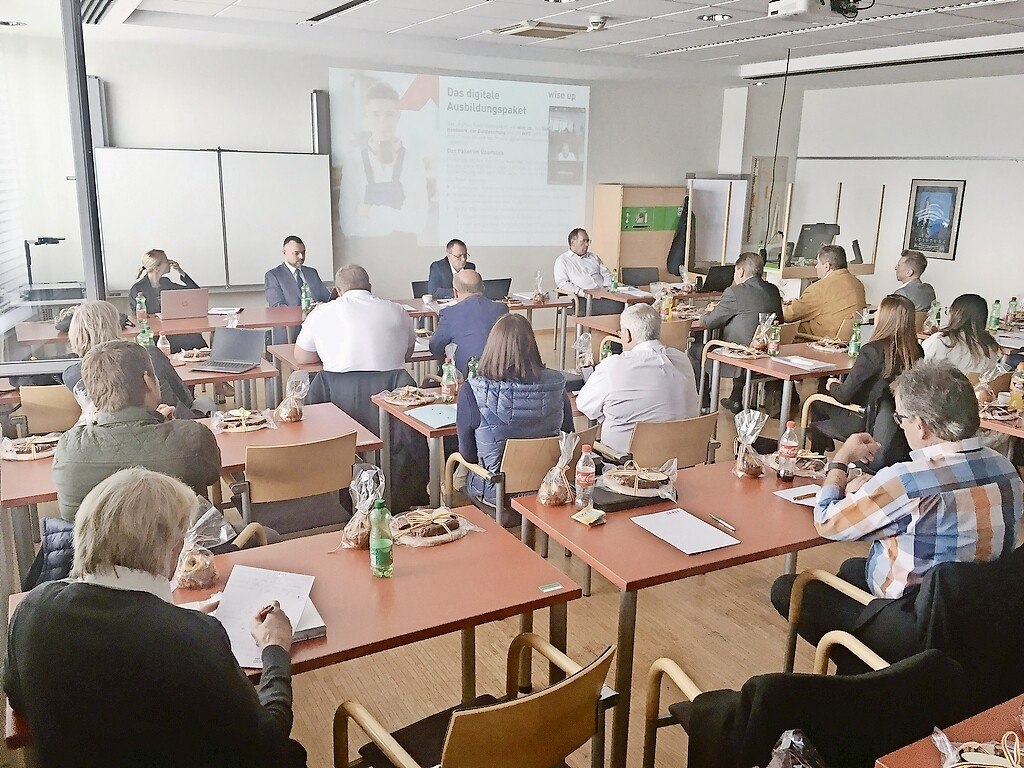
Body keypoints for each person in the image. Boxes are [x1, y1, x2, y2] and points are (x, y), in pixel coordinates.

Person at [4, 467, 306, 768]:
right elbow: (268, 747)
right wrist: (275, 648)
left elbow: (18, 697)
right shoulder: (194, 639)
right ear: (174, 550)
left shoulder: (31, 611)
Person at [770, 361, 1023, 646]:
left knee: (789, 589)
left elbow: (827, 522)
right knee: (853, 568)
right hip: (980, 615)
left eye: (900, 419)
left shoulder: (906, 482)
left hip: (915, 624)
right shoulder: (1006, 470)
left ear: (921, 425)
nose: (899, 426)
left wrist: (839, 462)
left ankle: (872, 673)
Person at [52, 340, 220, 522]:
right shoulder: (192, 438)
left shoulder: (68, 449)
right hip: (180, 547)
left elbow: (68, 515)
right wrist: (175, 428)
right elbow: (212, 474)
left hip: (97, 550)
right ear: (148, 381)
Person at [457, 314, 574, 512]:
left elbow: (468, 456)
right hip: (546, 490)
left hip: (496, 495)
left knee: (456, 473)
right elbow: (569, 433)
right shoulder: (557, 385)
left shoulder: (472, 391)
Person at [808, 295, 923, 469]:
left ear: (885, 318)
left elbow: (844, 395)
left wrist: (832, 384)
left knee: (816, 399)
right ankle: (822, 445)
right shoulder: (917, 350)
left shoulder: (872, 351)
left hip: (863, 418)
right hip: (897, 421)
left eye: (878, 311)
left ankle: (816, 454)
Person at [576, 304, 700, 456]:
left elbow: (584, 405)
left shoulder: (614, 366)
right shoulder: (682, 360)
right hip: (681, 459)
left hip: (625, 466)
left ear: (627, 335)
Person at [61, 300, 205, 419]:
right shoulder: (146, 355)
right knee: (205, 402)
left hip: (109, 440)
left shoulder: (72, 375)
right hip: (172, 423)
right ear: (114, 327)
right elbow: (185, 398)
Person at [689, 251, 783, 413]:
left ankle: (704, 402)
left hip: (740, 355)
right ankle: (736, 397)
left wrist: (706, 313)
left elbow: (711, 322)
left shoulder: (734, 292)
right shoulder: (773, 290)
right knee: (739, 334)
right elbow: (779, 320)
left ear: (740, 271)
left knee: (696, 349)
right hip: (766, 352)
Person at [339, 80, 430, 239]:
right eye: (375, 114)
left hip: (408, 254)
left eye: (389, 115)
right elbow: (350, 226)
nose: (383, 122)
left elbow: (417, 222)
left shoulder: (413, 161)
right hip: (365, 255)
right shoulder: (354, 162)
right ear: (366, 116)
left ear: (398, 116)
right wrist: (396, 219)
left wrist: (368, 210)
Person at [295, 264, 414, 372]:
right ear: (370, 287)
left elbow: (302, 357)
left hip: (340, 392)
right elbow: (407, 353)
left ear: (338, 291)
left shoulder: (320, 313)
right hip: (391, 393)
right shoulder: (398, 311)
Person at [429, 269, 507, 375]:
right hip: (500, 375)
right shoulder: (501, 309)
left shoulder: (449, 313)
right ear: (483, 288)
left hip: (467, 378)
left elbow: (435, 347)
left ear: (455, 292)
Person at [128, 249, 207, 353]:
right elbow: (137, 315)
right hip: (153, 334)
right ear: (156, 268)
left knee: (196, 339)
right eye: (166, 260)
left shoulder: (166, 282)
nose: (170, 262)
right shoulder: (137, 288)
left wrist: (181, 272)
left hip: (173, 329)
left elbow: (195, 291)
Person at [783, 245, 867, 338]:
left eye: (818, 263)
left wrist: (782, 303)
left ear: (827, 266)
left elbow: (789, 315)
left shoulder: (820, 288)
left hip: (820, 340)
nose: (816, 266)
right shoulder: (858, 284)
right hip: (849, 340)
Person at [264, 235, 333, 344]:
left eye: (303, 252)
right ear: (284, 253)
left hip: (315, 332)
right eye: (296, 253)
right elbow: (277, 308)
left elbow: (326, 298)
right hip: (289, 334)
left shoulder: (312, 272)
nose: (301, 256)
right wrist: (307, 309)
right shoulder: (273, 275)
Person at [922, 293, 1001, 374]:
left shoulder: (941, 341)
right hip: (973, 386)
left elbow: (919, 368)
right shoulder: (991, 346)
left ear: (955, 314)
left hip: (942, 385)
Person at [554, 228, 620, 316]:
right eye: (584, 241)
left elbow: (607, 274)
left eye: (588, 241)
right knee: (617, 306)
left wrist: (606, 287)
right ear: (573, 242)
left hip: (604, 295)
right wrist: (584, 293)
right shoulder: (563, 260)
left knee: (629, 303)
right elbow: (562, 283)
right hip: (582, 299)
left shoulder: (593, 257)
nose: (587, 244)